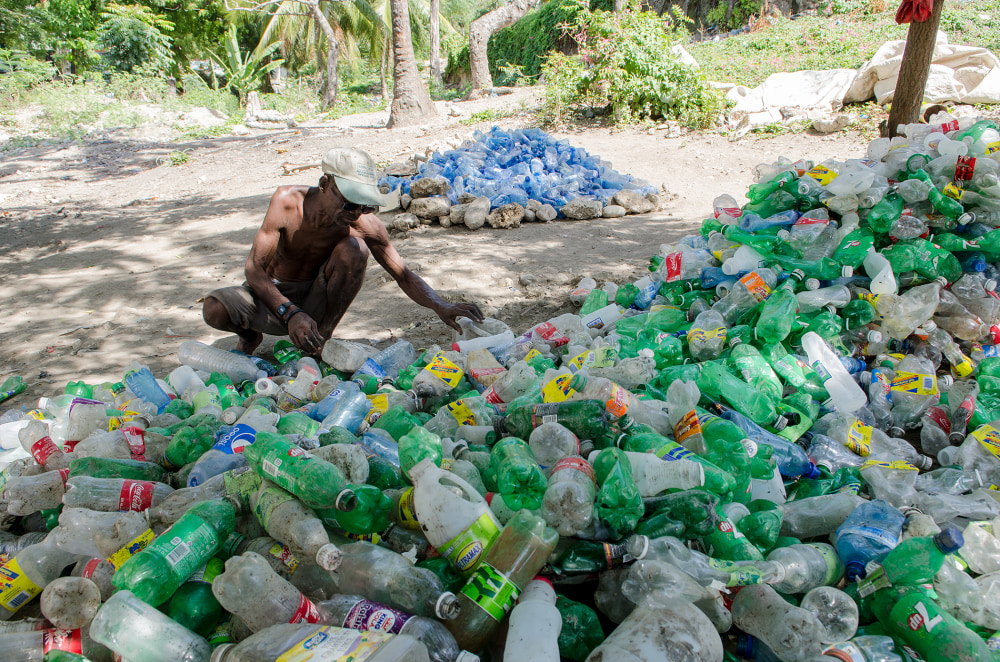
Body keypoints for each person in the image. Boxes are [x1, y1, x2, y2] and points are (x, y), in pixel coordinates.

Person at [203, 147, 484, 355]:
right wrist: (290, 313)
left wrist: (440, 304)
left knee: (354, 248)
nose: (356, 214)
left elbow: (403, 274)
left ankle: (319, 340)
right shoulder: (287, 203)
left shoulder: (363, 225)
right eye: (350, 204)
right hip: (269, 297)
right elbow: (254, 269)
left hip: (313, 300)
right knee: (214, 308)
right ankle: (250, 337)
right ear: (325, 184)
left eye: (365, 206)